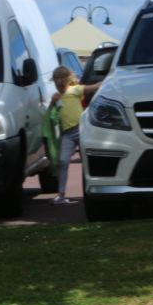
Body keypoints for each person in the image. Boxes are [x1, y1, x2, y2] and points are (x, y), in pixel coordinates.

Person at [49, 66, 100, 204]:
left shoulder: (75, 90)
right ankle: (61, 194)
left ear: (67, 80)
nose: (59, 84)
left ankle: (93, 188)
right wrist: (52, 103)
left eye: (61, 81)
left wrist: (107, 81)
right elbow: (51, 115)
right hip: (67, 133)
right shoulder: (57, 97)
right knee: (63, 161)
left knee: (87, 160)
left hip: (81, 129)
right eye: (56, 81)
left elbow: (94, 87)